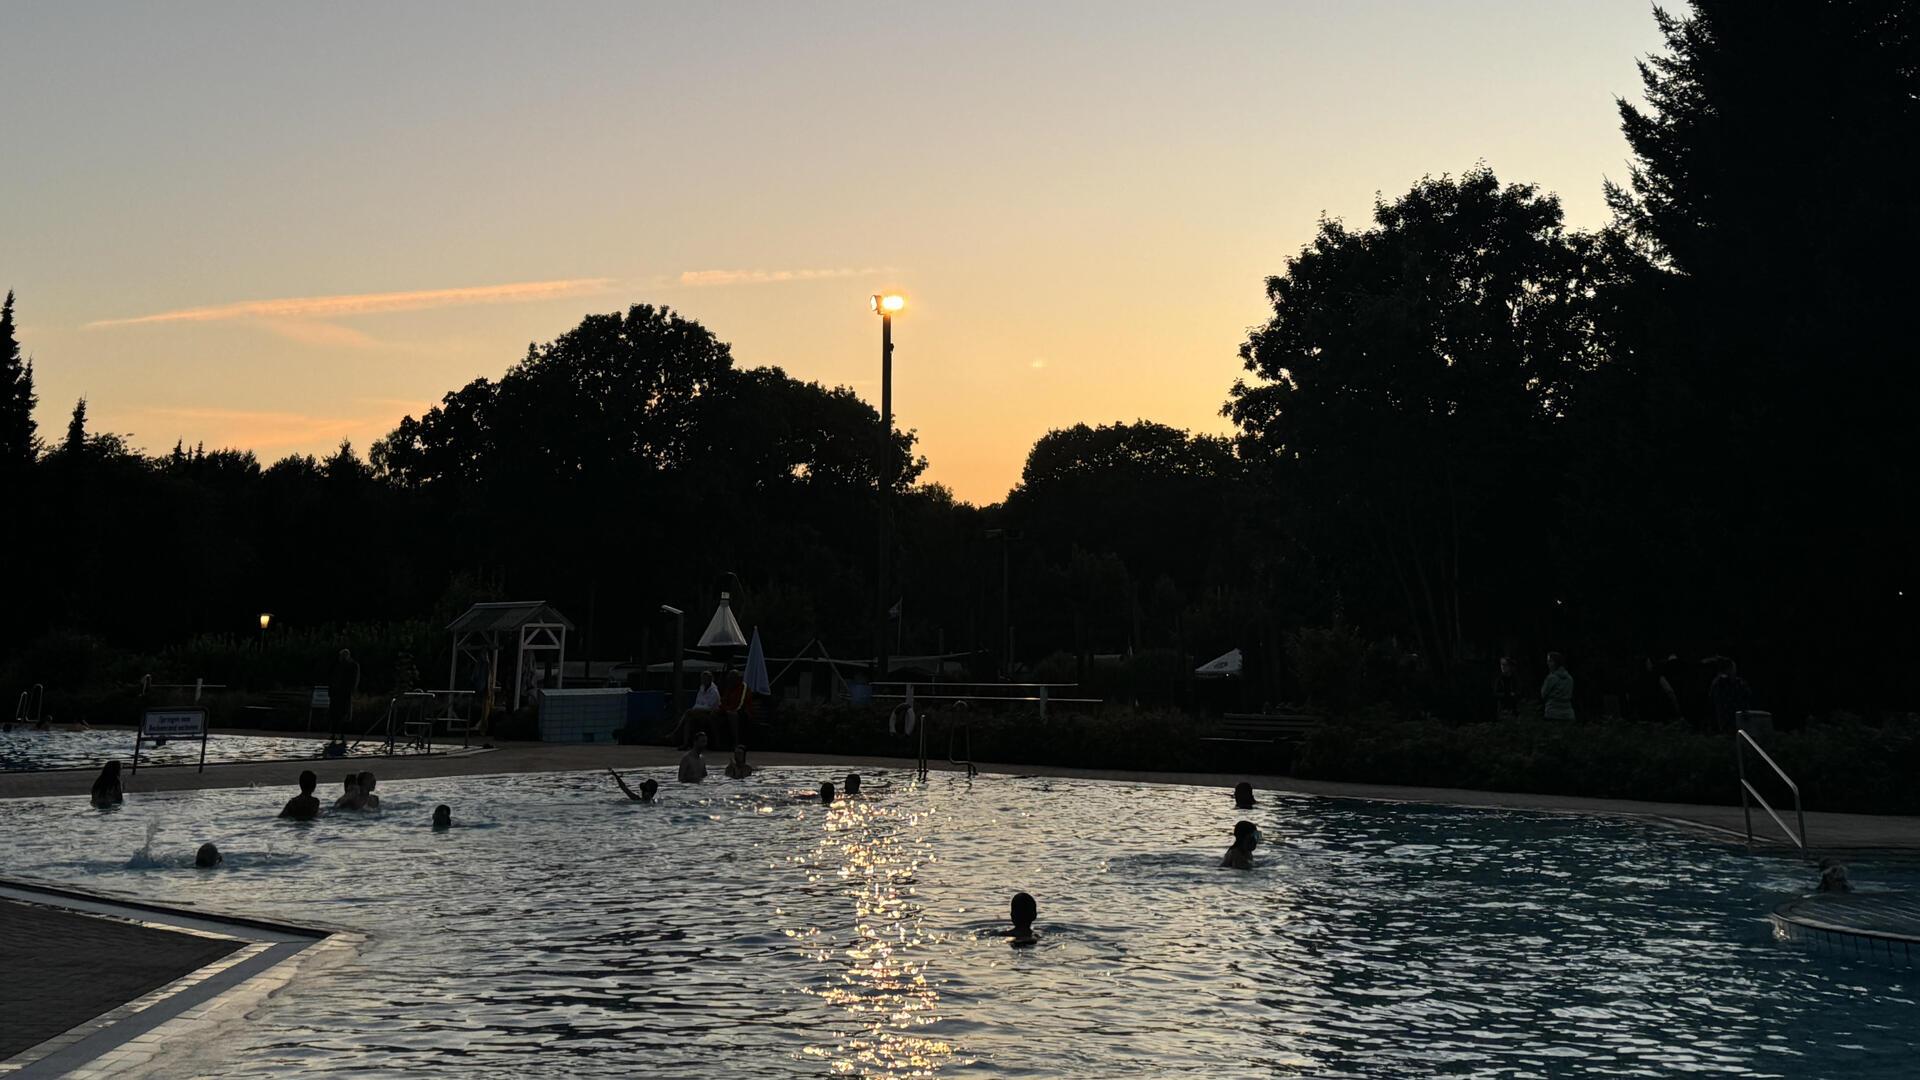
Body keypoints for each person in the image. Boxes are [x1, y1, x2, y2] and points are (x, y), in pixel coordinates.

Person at [668, 672, 722, 749]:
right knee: (688, 717)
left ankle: (675, 734)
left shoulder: (714, 692)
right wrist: (696, 709)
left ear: (710, 679)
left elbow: (710, 707)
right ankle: (685, 742)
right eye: (702, 679)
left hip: (710, 713)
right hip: (699, 711)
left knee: (688, 713)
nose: (703, 681)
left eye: (705, 679)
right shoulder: (701, 688)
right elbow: (697, 702)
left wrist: (696, 709)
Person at [1709, 658, 1753, 732]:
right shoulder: (1727, 683)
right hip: (1730, 716)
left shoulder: (1719, 682)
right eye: (1733, 668)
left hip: (1728, 716)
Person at [328, 648, 360, 741]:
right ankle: (334, 733)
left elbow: (354, 679)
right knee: (334, 714)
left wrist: (351, 690)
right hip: (336, 693)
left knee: (344, 714)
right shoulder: (337, 665)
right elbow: (331, 678)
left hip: (345, 693)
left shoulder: (353, 665)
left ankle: (342, 733)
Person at [1541, 652, 1576, 722]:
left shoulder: (1551, 678)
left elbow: (1543, 694)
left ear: (1555, 662)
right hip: (1568, 714)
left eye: (1549, 661)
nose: (1547, 663)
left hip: (1552, 713)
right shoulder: (1569, 678)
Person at [718, 671, 748, 748]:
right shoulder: (729, 688)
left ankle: (736, 742)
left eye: (732, 679)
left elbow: (740, 704)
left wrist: (729, 710)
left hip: (743, 712)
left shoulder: (743, 687)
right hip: (729, 710)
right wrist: (724, 709)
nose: (730, 681)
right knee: (713, 715)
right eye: (729, 679)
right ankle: (718, 741)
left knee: (732, 715)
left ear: (737, 679)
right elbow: (723, 700)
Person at [1493, 656, 1521, 721]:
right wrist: (1507, 694)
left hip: (1513, 709)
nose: (1503, 667)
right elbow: (1495, 693)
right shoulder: (1499, 679)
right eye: (1502, 664)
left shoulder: (1515, 678)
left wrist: (1515, 694)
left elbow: (1519, 691)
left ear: (1510, 666)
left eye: (1505, 665)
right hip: (1503, 710)